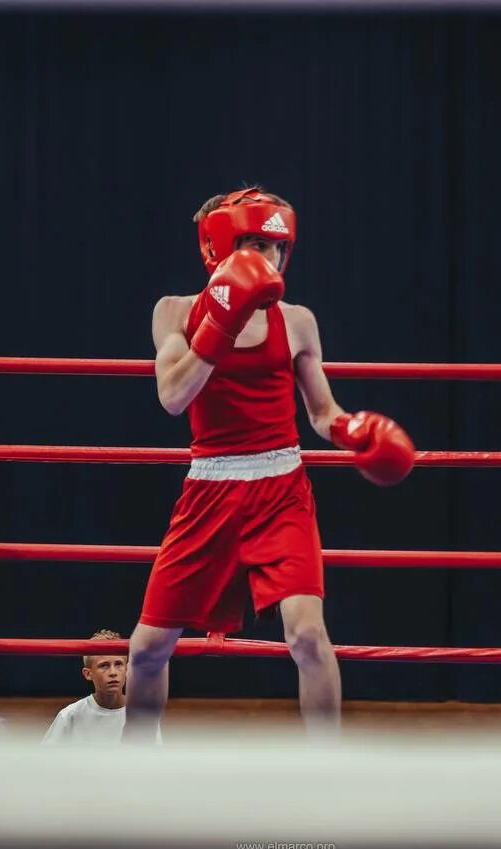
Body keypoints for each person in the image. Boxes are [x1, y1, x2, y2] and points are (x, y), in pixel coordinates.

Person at [122, 186, 416, 742]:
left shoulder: (298, 320)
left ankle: (325, 771)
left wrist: (354, 431)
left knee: (307, 635)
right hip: (209, 486)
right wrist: (222, 324)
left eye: (278, 247)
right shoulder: (175, 312)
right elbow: (172, 396)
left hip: (280, 487)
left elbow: (323, 412)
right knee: (147, 648)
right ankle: (134, 765)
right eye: (256, 244)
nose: (271, 259)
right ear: (219, 249)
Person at [42, 630, 159, 746]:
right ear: (88, 673)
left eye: (118, 664)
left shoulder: (144, 716)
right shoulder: (70, 715)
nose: (113, 672)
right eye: (104, 665)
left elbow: (156, 760)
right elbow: (45, 759)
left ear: (127, 669)